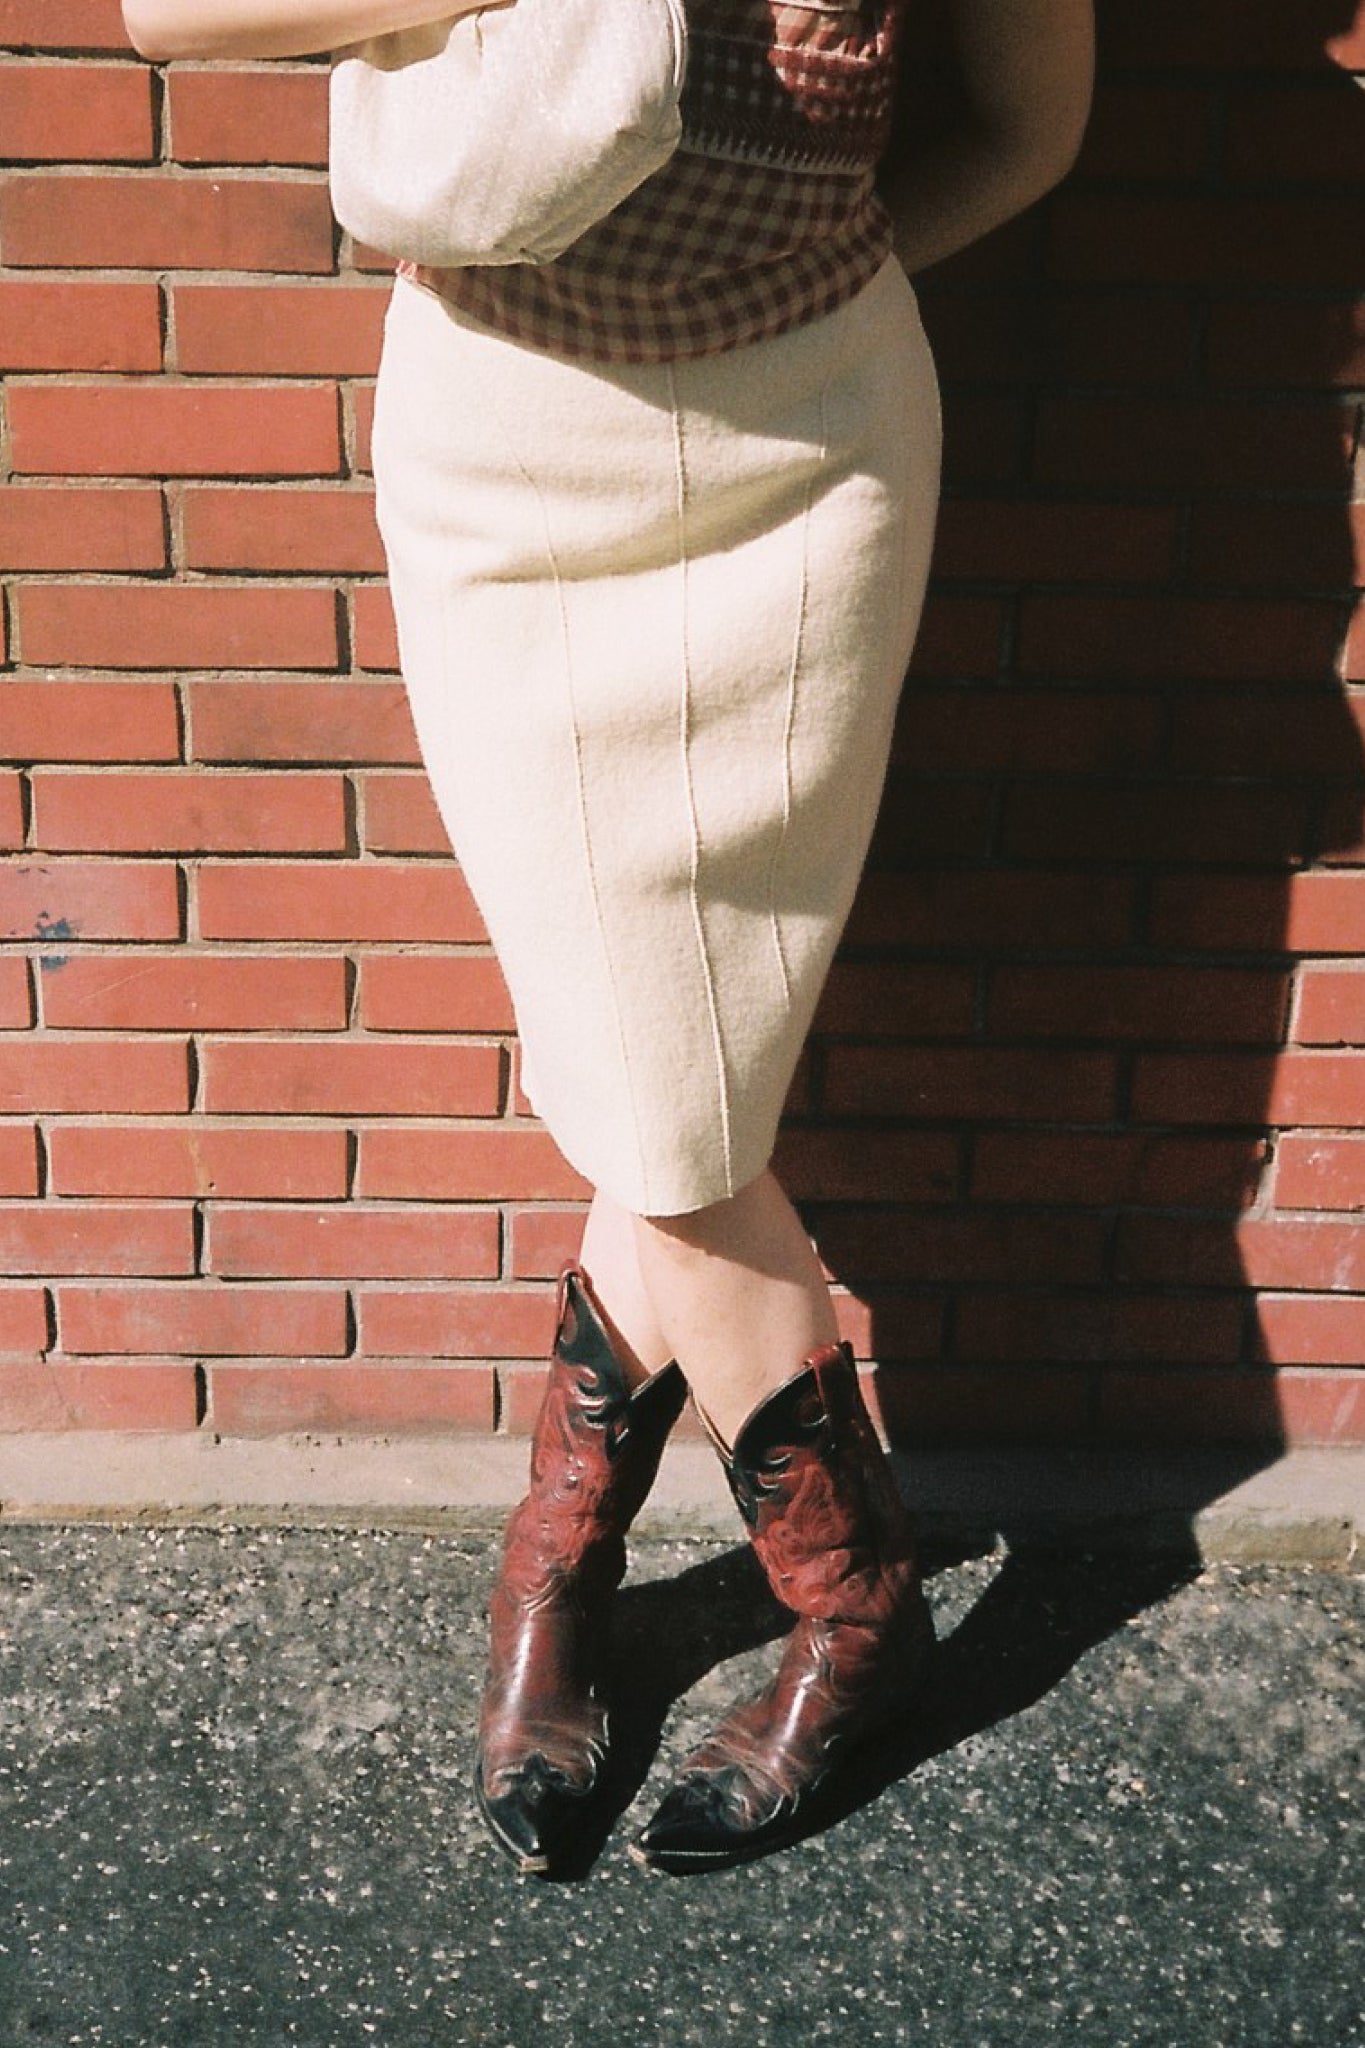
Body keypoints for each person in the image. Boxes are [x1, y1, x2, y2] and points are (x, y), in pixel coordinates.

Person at [123, 0, 1094, 1876]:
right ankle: (855, 1600)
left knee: (684, 1092)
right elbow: (175, 13)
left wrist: (795, 296)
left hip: (811, 464)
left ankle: (566, 1547)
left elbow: (1017, 133)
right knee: (667, 1100)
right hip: (503, 465)